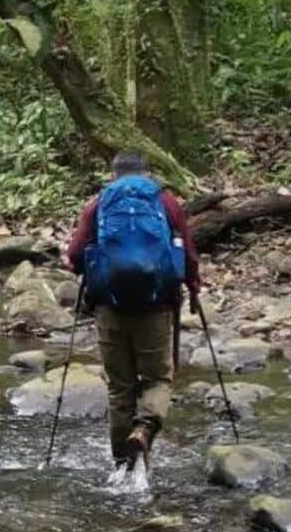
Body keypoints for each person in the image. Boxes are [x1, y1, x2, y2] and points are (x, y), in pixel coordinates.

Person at [63, 150, 204, 467]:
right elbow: (189, 256)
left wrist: (83, 268)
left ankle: (122, 468)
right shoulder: (167, 203)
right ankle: (144, 428)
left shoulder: (99, 204)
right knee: (157, 378)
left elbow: (74, 254)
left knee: (119, 388)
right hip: (156, 307)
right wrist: (193, 289)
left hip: (110, 308)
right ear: (147, 173)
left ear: (114, 174)